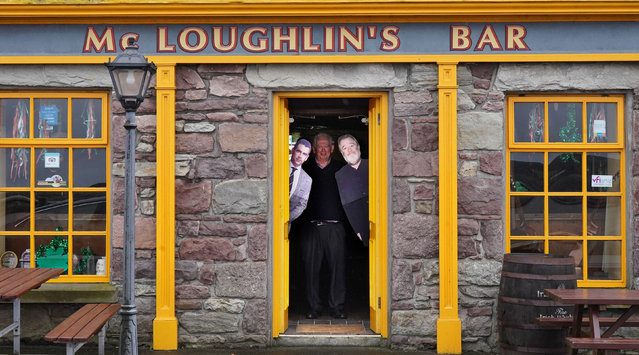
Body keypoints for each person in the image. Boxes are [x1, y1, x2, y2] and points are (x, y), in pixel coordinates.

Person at [300, 132, 347, 319]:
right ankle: (314, 307)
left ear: (332, 148)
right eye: (319, 147)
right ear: (313, 149)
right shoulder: (305, 168)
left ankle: (337, 307)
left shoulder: (342, 169)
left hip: (335, 227)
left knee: (338, 269)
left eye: (326, 146)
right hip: (310, 227)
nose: (323, 150)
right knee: (311, 269)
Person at [335, 134, 369, 246]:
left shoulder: (373, 164)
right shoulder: (340, 174)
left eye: (351, 146)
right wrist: (357, 229)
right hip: (359, 218)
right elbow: (347, 204)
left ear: (358, 147)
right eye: (345, 148)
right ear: (342, 153)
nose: (349, 150)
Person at [289, 139, 312, 222]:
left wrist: (286, 219)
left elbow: (301, 205)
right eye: (299, 151)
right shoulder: (279, 168)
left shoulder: (307, 180)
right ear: (292, 151)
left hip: (285, 225)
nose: (300, 156)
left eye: (304, 154)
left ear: (306, 158)